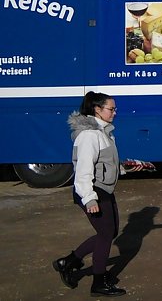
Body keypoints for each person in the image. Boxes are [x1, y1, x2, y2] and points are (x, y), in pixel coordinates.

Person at [53, 91, 143, 297]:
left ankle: (68, 262)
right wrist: (89, 199)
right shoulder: (89, 136)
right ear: (97, 109)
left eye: (115, 109)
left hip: (103, 189)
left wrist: (126, 168)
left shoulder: (104, 132)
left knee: (110, 232)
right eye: (111, 109)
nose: (115, 112)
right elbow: (83, 171)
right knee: (105, 234)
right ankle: (98, 282)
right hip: (93, 190)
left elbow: (105, 164)